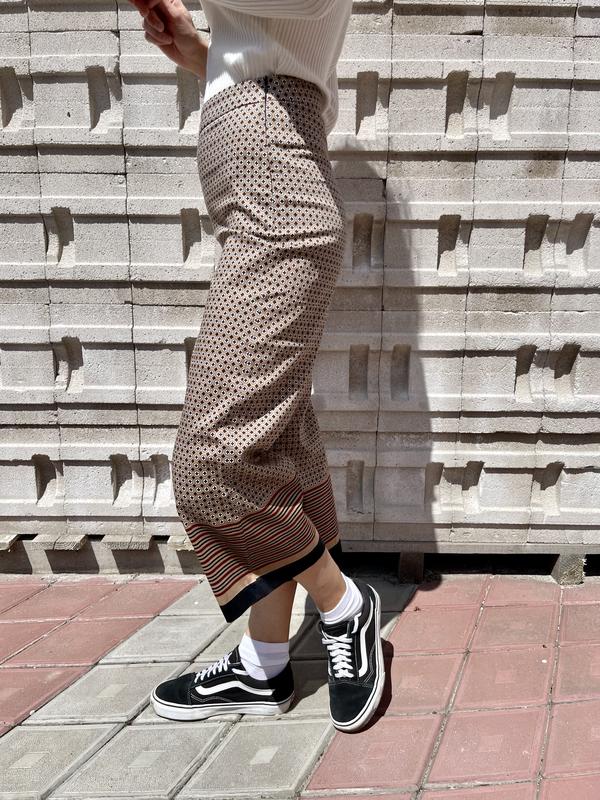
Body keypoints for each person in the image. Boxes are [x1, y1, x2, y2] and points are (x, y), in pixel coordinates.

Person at [129, 0, 385, 733]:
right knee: (271, 443)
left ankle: (344, 604)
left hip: (279, 208)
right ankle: (264, 662)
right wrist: (202, 53)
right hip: (262, 201)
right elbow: (281, 47)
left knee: (213, 461)